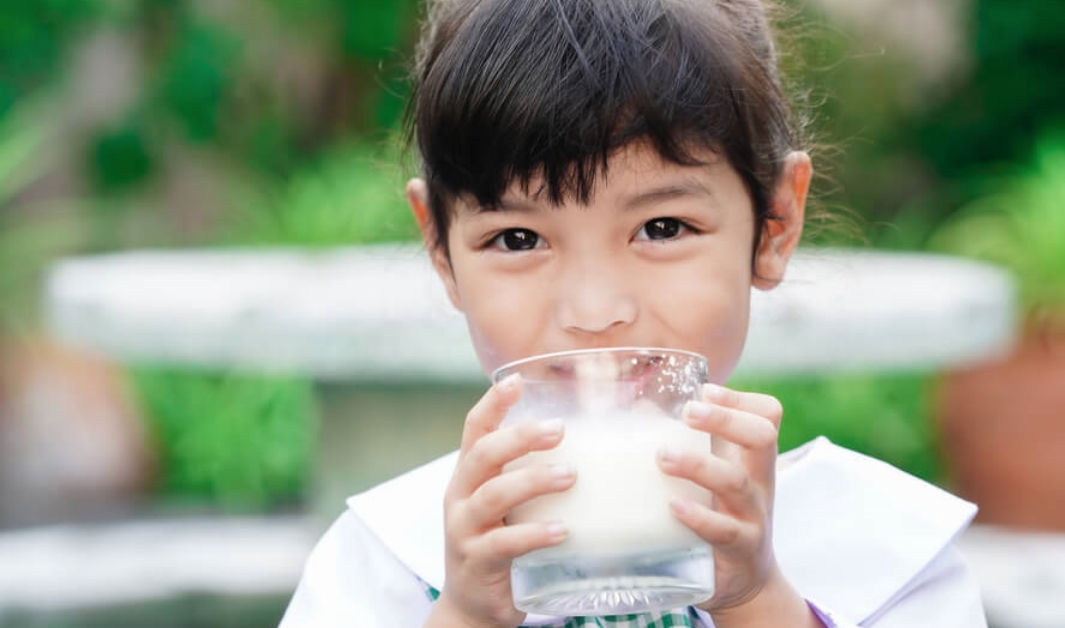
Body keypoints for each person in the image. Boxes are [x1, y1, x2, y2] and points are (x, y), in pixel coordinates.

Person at [280, 0, 988, 626]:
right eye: (518, 239)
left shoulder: (882, 548)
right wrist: (464, 617)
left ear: (774, 224)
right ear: (441, 250)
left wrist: (757, 601)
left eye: (662, 228)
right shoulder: (387, 565)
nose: (595, 311)